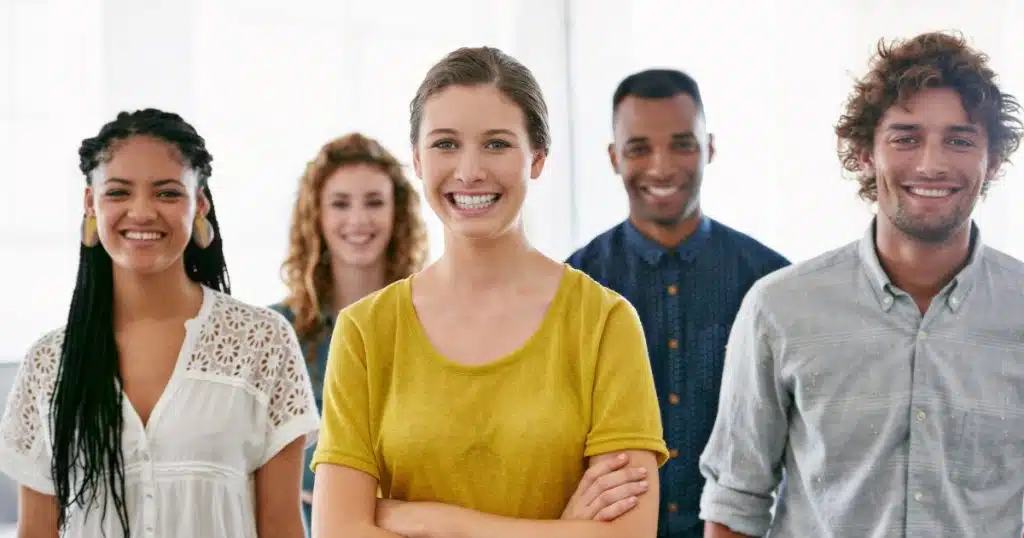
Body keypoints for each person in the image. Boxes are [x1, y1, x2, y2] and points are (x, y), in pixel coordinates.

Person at [309, 46, 670, 538]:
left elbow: (627, 534)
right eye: (445, 144)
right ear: (416, 159)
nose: (470, 171)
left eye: (497, 144)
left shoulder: (604, 321)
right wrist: (559, 530)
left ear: (537, 158)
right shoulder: (366, 332)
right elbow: (340, 533)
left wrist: (432, 521)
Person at [699, 31, 1024, 537]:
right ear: (864, 153)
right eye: (905, 138)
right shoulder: (780, 308)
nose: (932, 163)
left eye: (960, 140)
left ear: (994, 161)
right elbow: (735, 503)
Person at [0, 109, 321, 538]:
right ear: (90, 203)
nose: (143, 212)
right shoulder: (48, 363)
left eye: (167, 193)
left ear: (200, 203)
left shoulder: (262, 340)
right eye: (118, 192)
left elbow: (281, 527)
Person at [565, 68, 789, 538]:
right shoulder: (572, 287)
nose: (662, 167)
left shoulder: (772, 284)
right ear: (613, 157)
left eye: (683, 144)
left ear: (709, 148)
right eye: (639, 148)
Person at [271, 132, 429, 535]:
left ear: (398, 213)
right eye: (340, 204)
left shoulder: (433, 319)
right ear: (316, 216)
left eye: (374, 202)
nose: (358, 220)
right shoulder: (277, 332)